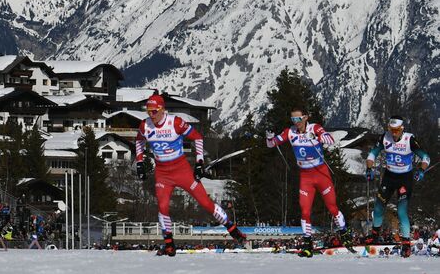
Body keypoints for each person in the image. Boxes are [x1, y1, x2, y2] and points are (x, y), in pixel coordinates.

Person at [135, 94, 246, 257]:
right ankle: (169, 244)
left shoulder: (175, 122)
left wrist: (199, 162)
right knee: (163, 206)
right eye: (148, 111)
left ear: (162, 109)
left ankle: (233, 230)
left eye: (154, 111)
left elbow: (197, 137)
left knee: (206, 204)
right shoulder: (145, 126)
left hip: (182, 170)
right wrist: (139, 162)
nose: (151, 114)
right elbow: (139, 141)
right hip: (162, 173)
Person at [266, 107, 353, 257]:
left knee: (332, 207)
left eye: (298, 119)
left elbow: (330, 140)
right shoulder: (290, 132)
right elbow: (271, 144)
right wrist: (269, 138)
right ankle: (307, 244)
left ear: (305, 117)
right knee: (305, 211)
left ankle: (344, 233)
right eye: (293, 119)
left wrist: (318, 137)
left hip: (321, 174)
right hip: (305, 177)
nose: (296, 122)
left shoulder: (315, 127)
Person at [365, 115, 430, 258]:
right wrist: (369, 169)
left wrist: (421, 170)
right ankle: (375, 235)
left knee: (401, 211)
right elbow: (372, 154)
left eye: (396, 130)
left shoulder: (409, 140)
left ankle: (406, 243)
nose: (393, 133)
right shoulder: (385, 137)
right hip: (389, 177)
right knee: (378, 207)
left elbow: (425, 157)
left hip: (404, 179)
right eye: (391, 130)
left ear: (402, 129)